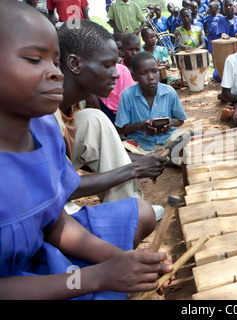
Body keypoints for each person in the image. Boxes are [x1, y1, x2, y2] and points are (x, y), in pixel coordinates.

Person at [0, 0, 174, 300]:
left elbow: (54, 223)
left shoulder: (43, 131)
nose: (55, 73)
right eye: (32, 59)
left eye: (54, 61)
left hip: (41, 255)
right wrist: (94, 278)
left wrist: (116, 258)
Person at [56, 19, 168, 218]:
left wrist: (142, 161)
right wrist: (134, 169)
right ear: (74, 64)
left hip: (54, 183)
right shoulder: (41, 113)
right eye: (107, 65)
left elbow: (94, 155)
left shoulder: (76, 105)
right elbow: (60, 186)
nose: (116, 74)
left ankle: (128, 205)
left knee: (94, 118)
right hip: (35, 198)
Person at [115, 52, 188, 156]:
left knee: (187, 137)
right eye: (144, 73)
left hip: (167, 140)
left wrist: (170, 123)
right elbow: (120, 128)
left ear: (159, 71)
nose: (150, 77)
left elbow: (180, 120)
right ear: (134, 76)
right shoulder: (127, 95)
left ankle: (157, 158)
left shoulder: (169, 91)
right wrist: (140, 126)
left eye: (154, 71)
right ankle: (164, 157)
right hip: (140, 143)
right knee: (121, 151)